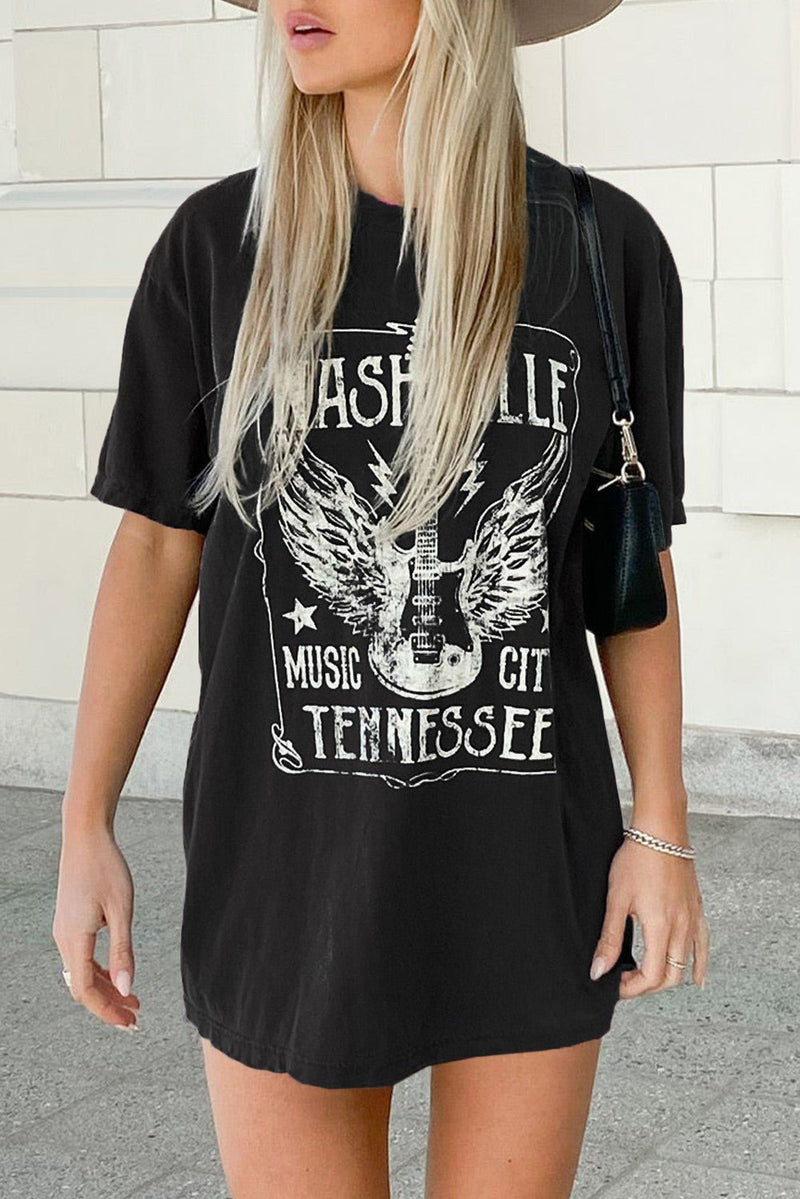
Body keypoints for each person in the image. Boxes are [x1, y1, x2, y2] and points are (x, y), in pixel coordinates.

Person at [52, 0, 710, 1195]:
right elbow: (154, 544)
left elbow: (630, 560)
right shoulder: (220, 247)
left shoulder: (597, 244)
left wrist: (657, 826)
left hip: (524, 865)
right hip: (283, 865)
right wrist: (84, 821)